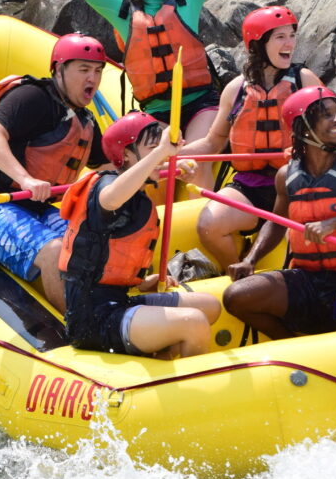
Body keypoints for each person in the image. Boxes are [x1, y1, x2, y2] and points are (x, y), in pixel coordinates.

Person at [29, 0, 228, 189]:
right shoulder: (122, 11)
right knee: (153, 176)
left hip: (201, 102)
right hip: (155, 112)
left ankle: (202, 216)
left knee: (194, 162)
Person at [223, 86, 336, 340]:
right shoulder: (286, 176)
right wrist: (251, 259)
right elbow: (276, 224)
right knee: (236, 297)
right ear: (303, 127)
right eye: (327, 115)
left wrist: (334, 223)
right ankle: (291, 346)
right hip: (306, 279)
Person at [0, 33, 109, 313]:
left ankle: (110, 312)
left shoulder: (85, 119)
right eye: (84, 70)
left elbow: (110, 169)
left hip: (34, 210)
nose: (93, 79)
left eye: (98, 71)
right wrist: (25, 179)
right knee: (53, 252)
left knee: (92, 245)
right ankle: (80, 331)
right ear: (59, 70)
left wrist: (158, 164)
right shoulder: (32, 97)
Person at [60, 110, 221, 358]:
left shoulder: (139, 197)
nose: (162, 157)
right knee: (194, 321)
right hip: (93, 318)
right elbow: (111, 199)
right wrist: (161, 153)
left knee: (209, 306)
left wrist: (142, 281)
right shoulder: (107, 186)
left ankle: (165, 364)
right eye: (152, 149)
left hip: (118, 301)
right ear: (125, 155)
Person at [180, 6, 322, 273]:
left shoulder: (304, 80)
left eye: (292, 35)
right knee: (208, 225)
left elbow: (333, 128)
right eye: (280, 37)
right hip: (251, 187)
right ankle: (236, 273)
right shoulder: (235, 90)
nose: (290, 43)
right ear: (258, 45)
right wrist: (174, 154)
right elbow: (213, 143)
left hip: (297, 185)